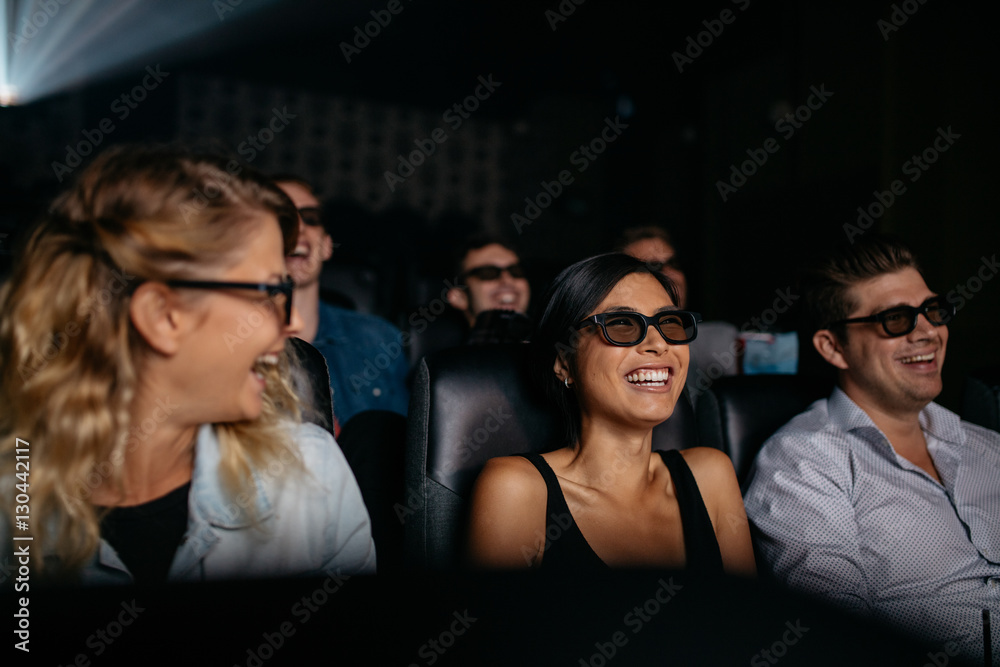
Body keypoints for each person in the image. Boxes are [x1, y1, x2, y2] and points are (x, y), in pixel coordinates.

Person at [0, 145, 376, 584]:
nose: (290, 322)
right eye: (267, 293)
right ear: (163, 316)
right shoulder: (14, 504)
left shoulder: (311, 475)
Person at [743, 235, 1000, 662]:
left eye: (933, 311)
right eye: (895, 319)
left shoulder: (989, 447)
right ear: (833, 347)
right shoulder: (803, 462)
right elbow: (835, 640)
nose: (927, 332)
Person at [466, 253, 755, 574]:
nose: (658, 344)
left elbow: (747, 620)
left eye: (669, 322)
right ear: (564, 362)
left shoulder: (710, 475)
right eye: (621, 324)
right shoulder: (516, 489)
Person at [273, 176, 409, 431]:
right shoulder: (231, 340)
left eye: (310, 217)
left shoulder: (379, 339)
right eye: (282, 216)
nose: (299, 227)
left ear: (326, 246)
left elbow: (404, 452)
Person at [445, 232, 532, 343]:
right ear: (459, 297)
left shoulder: (552, 352)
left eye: (516, 271)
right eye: (488, 273)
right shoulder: (450, 359)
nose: (508, 280)